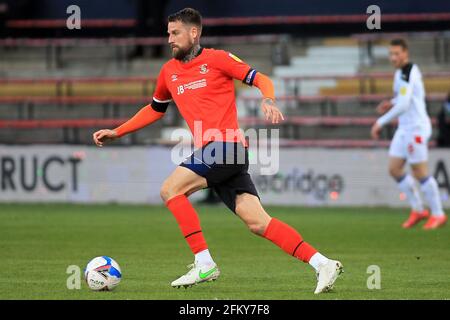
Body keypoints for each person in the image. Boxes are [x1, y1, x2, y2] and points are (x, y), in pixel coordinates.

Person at [93, 8, 343, 294]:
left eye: (175, 33)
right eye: (168, 33)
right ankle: (322, 263)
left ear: (194, 32)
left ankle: (203, 262)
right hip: (220, 153)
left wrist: (269, 100)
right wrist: (118, 130)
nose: (169, 39)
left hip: (226, 146)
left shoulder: (218, 59)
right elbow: (155, 109)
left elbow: (261, 78)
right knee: (258, 222)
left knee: (170, 190)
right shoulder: (168, 72)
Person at [371, 38, 447, 230]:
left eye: (397, 53)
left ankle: (438, 214)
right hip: (404, 128)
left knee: (419, 171)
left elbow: (405, 104)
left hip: (416, 128)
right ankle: (419, 210)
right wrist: (391, 101)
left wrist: (380, 121)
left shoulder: (409, 70)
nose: (393, 57)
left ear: (406, 53)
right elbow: (405, 97)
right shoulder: (400, 73)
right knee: (394, 169)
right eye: (391, 54)